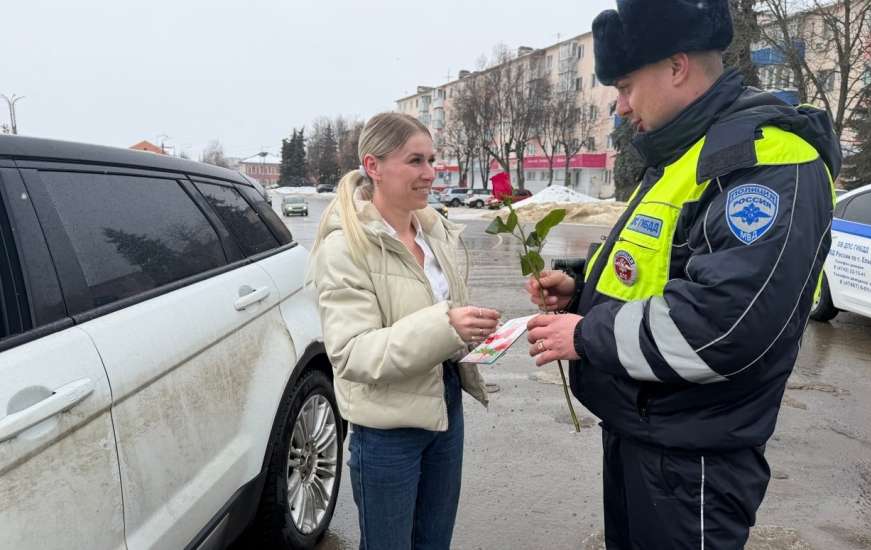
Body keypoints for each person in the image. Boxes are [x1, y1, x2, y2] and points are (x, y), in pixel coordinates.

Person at [524, 1, 841, 547]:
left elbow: (721, 326)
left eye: (625, 87)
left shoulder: (762, 161)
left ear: (676, 67)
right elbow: (665, 263)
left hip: (693, 458)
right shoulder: (690, 152)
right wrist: (582, 290)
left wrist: (584, 333)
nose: (620, 108)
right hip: (645, 432)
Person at [308, 112, 499, 550]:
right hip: (387, 428)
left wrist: (475, 330)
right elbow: (351, 354)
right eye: (415, 161)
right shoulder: (346, 247)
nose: (430, 173)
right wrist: (445, 324)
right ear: (373, 166)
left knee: (434, 542)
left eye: (432, 160)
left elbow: (447, 320)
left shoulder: (435, 233)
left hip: (445, 405)